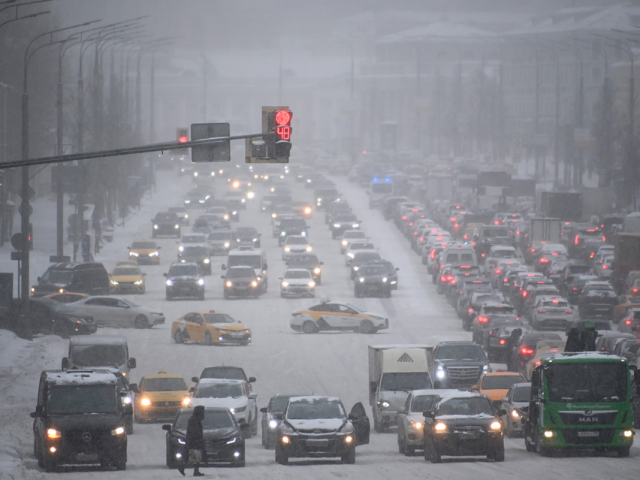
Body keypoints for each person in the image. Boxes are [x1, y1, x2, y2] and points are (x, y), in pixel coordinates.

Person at [178, 405, 205, 477]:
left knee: (194, 455)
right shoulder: (194, 420)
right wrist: (198, 439)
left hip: (193, 440)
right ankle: (186, 467)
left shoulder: (195, 419)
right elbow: (195, 431)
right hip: (194, 440)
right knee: (196, 455)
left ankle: (185, 467)